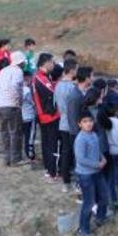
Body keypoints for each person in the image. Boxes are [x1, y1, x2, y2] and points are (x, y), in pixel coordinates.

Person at [74, 111, 107, 236]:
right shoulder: (80, 139)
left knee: (104, 196)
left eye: (90, 121)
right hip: (86, 175)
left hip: (97, 172)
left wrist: (102, 158)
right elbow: (81, 159)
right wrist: (97, 164)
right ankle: (83, 229)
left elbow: (97, 150)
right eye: (85, 122)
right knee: (89, 202)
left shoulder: (93, 134)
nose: (88, 124)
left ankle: (100, 218)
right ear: (79, 124)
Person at [0, 51, 26, 166]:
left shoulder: (3, 71)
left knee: (4, 132)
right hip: (11, 104)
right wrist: (19, 101)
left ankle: (6, 158)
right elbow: (15, 87)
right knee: (15, 132)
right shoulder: (18, 71)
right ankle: (15, 159)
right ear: (21, 62)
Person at [32, 53, 60, 181]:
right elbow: (53, 94)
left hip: (44, 115)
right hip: (49, 116)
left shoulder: (41, 77)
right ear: (46, 63)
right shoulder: (40, 78)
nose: (53, 65)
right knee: (52, 144)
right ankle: (52, 171)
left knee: (47, 143)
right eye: (52, 62)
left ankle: (49, 169)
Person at [55, 59, 78, 191]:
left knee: (65, 152)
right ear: (72, 70)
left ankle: (66, 182)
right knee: (75, 153)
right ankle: (76, 182)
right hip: (72, 124)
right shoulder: (72, 87)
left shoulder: (58, 85)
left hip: (62, 122)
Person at [101, 102, 118, 210]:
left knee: (111, 178)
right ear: (116, 112)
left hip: (109, 151)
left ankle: (113, 200)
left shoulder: (105, 122)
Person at [21, 69, 37, 162]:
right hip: (30, 116)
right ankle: (30, 155)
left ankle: (26, 154)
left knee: (25, 136)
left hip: (22, 116)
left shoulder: (18, 89)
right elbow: (32, 102)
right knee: (30, 136)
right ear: (27, 78)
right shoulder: (27, 90)